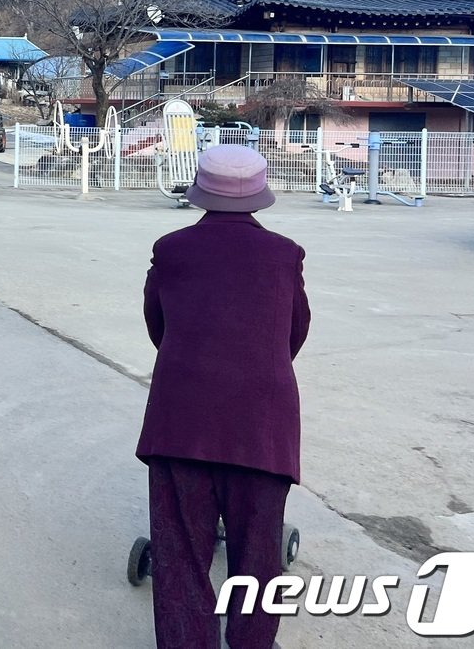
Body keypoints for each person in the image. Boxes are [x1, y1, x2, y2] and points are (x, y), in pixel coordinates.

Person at [136, 144, 310, 649]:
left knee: (181, 551)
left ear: (201, 192)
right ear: (258, 195)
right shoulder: (284, 254)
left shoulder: (170, 249)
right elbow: (292, 335)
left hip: (181, 418)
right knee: (258, 552)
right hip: (262, 423)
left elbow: (158, 326)